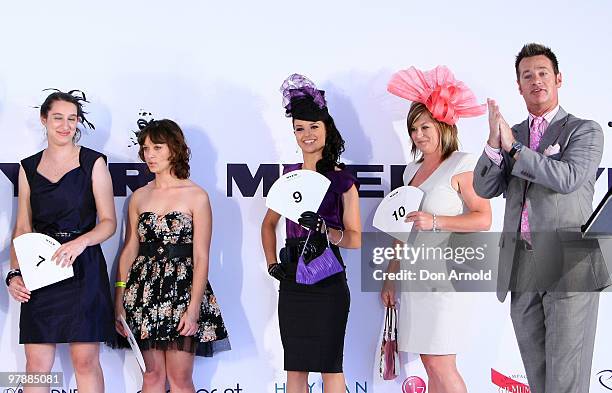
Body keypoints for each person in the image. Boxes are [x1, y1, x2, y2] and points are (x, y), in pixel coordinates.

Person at [473, 43, 610, 393]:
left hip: (568, 260)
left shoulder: (585, 130)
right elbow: (485, 187)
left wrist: (515, 150)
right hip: (520, 264)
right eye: (527, 75)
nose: (536, 81)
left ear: (558, 79)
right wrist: (493, 143)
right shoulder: (510, 133)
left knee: (566, 379)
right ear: (518, 86)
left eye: (542, 73)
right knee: (539, 377)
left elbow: (566, 179)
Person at [381, 66, 491, 393]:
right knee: (430, 363)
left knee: (441, 362)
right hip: (415, 277)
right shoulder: (410, 171)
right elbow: (402, 230)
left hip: (447, 277)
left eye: (425, 126)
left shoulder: (463, 164)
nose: (418, 135)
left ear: (444, 125)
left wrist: (435, 221)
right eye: (413, 129)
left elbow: (483, 218)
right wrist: (391, 274)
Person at [6, 89, 116, 393]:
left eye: (71, 118)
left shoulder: (93, 162)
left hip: (84, 269)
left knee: (85, 361)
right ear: (44, 119)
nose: (65, 125)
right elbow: (23, 227)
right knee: (36, 366)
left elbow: (109, 222)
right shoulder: (27, 167)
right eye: (58, 118)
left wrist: (81, 243)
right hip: (41, 270)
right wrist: (15, 273)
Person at [261, 74, 361, 393]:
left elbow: (356, 238)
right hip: (292, 279)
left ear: (326, 129)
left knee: (331, 367)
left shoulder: (342, 179)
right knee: (296, 370)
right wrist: (271, 263)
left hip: (328, 278)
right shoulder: (288, 177)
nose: (307, 134)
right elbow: (267, 225)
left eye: (313, 127)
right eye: (299, 128)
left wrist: (327, 231)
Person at [114, 119, 230, 392]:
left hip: (182, 292)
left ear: (175, 149)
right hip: (142, 292)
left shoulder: (196, 196)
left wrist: (193, 310)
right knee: (151, 377)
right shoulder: (139, 197)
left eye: (157, 147)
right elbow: (130, 249)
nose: (149, 155)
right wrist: (119, 299)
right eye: (145, 148)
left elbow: (201, 257)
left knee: (180, 379)